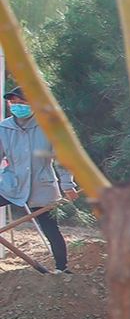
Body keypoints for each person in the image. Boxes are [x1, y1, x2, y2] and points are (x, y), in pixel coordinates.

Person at [0, 87, 78, 273]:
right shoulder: (4, 128)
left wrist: (68, 185)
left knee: (50, 229)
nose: (17, 106)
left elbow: (63, 159)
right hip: (11, 184)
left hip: (41, 187)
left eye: (22, 103)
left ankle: (62, 269)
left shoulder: (48, 127)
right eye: (14, 103)